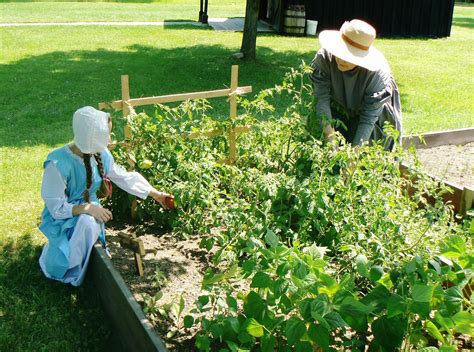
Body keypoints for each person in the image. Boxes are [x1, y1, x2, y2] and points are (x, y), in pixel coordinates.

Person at [38, 106, 173, 286]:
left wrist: (154, 194)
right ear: (91, 137)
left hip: (88, 211)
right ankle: (65, 269)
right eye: (106, 134)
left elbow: (124, 177)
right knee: (87, 223)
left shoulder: (101, 155)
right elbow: (56, 207)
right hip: (65, 215)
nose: (109, 139)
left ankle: (78, 264)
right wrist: (88, 208)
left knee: (88, 223)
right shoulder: (58, 163)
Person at [309, 19, 402, 150]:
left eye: (349, 56)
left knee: (365, 158)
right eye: (339, 52)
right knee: (321, 147)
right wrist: (331, 142)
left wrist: (352, 159)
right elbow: (321, 101)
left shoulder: (377, 76)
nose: (341, 59)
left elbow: (368, 120)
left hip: (369, 116)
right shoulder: (324, 59)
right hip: (335, 106)